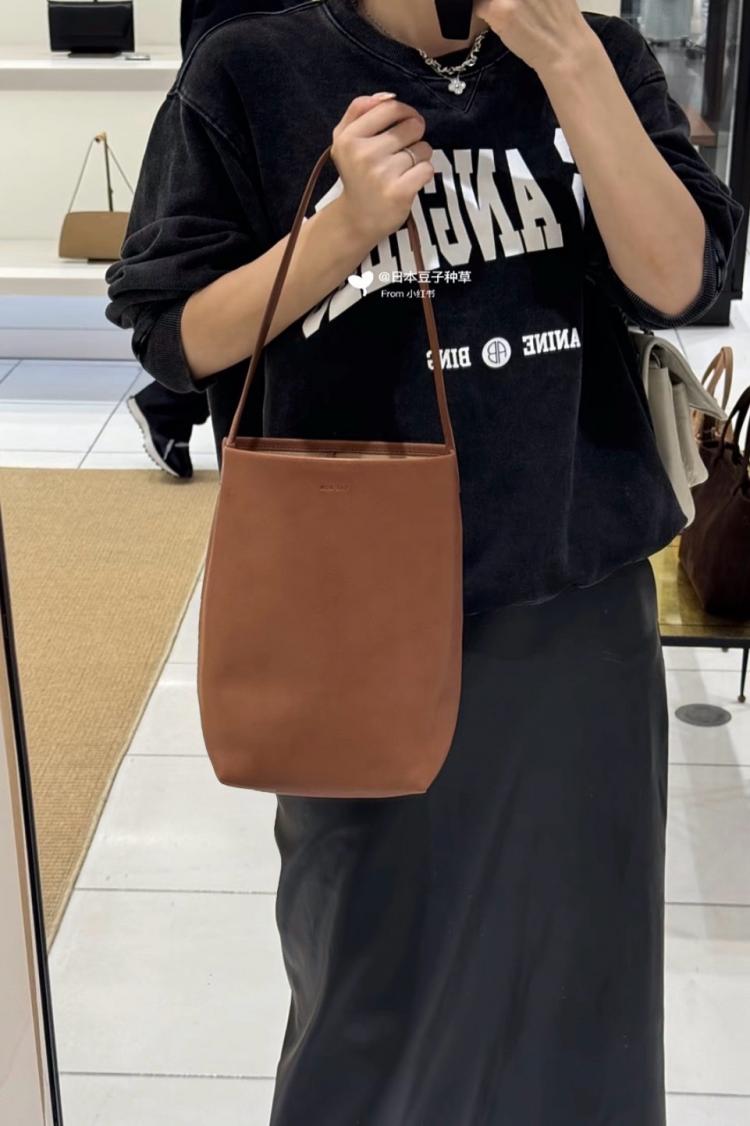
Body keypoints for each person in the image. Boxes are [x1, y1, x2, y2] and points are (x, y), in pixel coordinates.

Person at [104, 1, 744, 1121]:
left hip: (577, 596)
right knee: (376, 994)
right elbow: (175, 334)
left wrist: (573, 68)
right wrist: (342, 230)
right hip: (354, 616)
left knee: (582, 988)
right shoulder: (255, 70)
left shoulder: (595, 52)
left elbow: (683, 279)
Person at [127, 0, 287, 478]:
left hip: (251, 51)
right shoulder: (235, 53)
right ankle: (168, 404)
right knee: (252, 277)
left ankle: (168, 405)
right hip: (255, 57)